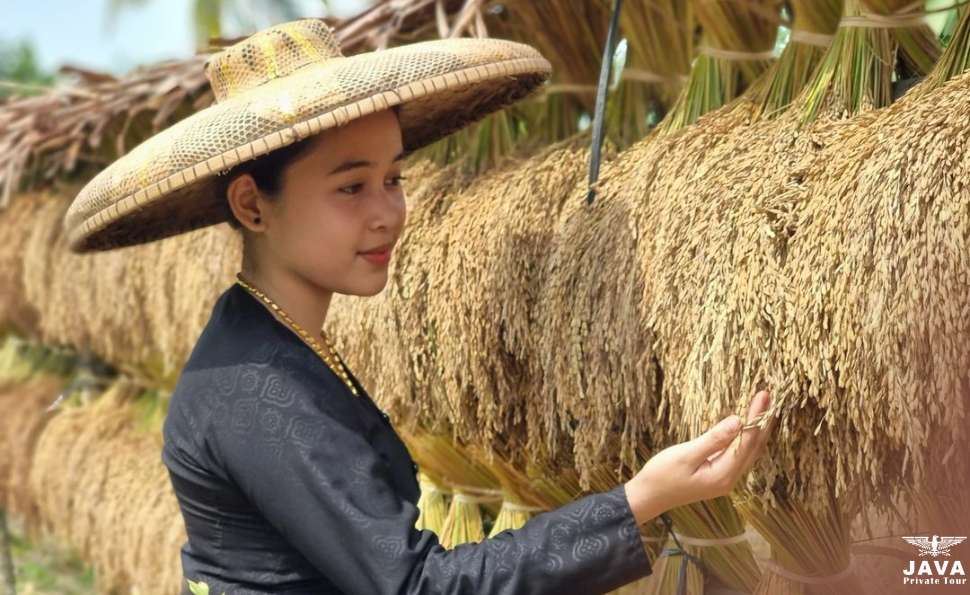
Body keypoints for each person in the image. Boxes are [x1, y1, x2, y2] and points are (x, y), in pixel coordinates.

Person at [63, 19, 774, 595]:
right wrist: (639, 499)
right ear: (253, 204)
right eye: (351, 187)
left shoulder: (264, 342)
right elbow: (418, 586)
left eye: (393, 177)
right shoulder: (259, 388)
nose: (388, 213)